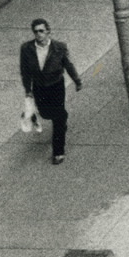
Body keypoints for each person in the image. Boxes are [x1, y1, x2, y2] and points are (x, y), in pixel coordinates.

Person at [18, 17, 81, 164]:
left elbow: (68, 65)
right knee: (46, 114)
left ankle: (58, 151)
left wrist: (77, 80)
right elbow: (25, 70)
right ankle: (62, 116)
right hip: (39, 87)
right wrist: (28, 90)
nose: (38, 34)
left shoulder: (59, 47)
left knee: (57, 118)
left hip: (56, 85)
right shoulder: (27, 49)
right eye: (36, 32)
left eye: (41, 31)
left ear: (48, 32)